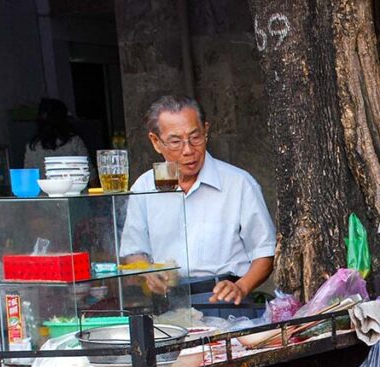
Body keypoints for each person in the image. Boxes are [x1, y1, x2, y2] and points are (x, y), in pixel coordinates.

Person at [120, 94, 276, 307]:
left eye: (196, 137)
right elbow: (133, 249)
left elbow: (265, 252)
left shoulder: (238, 183)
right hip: (167, 304)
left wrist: (242, 286)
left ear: (206, 131)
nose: (188, 150)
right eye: (175, 141)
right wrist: (147, 273)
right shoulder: (144, 188)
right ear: (156, 142)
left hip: (224, 300)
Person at [23, 98, 91, 176]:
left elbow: (28, 177)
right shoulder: (74, 141)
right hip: (75, 188)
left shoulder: (32, 147)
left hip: (45, 188)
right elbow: (89, 172)